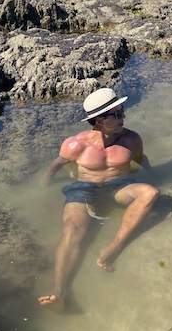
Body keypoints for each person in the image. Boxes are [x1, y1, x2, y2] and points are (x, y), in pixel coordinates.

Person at [38, 88, 159, 309]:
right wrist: (43, 186)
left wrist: (155, 177)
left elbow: (142, 160)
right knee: (73, 230)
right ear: (98, 120)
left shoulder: (131, 140)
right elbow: (55, 166)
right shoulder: (75, 144)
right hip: (84, 188)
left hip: (118, 186)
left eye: (122, 111)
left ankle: (112, 248)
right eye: (115, 114)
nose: (123, 117)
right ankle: (59, 290)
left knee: (150, 193)